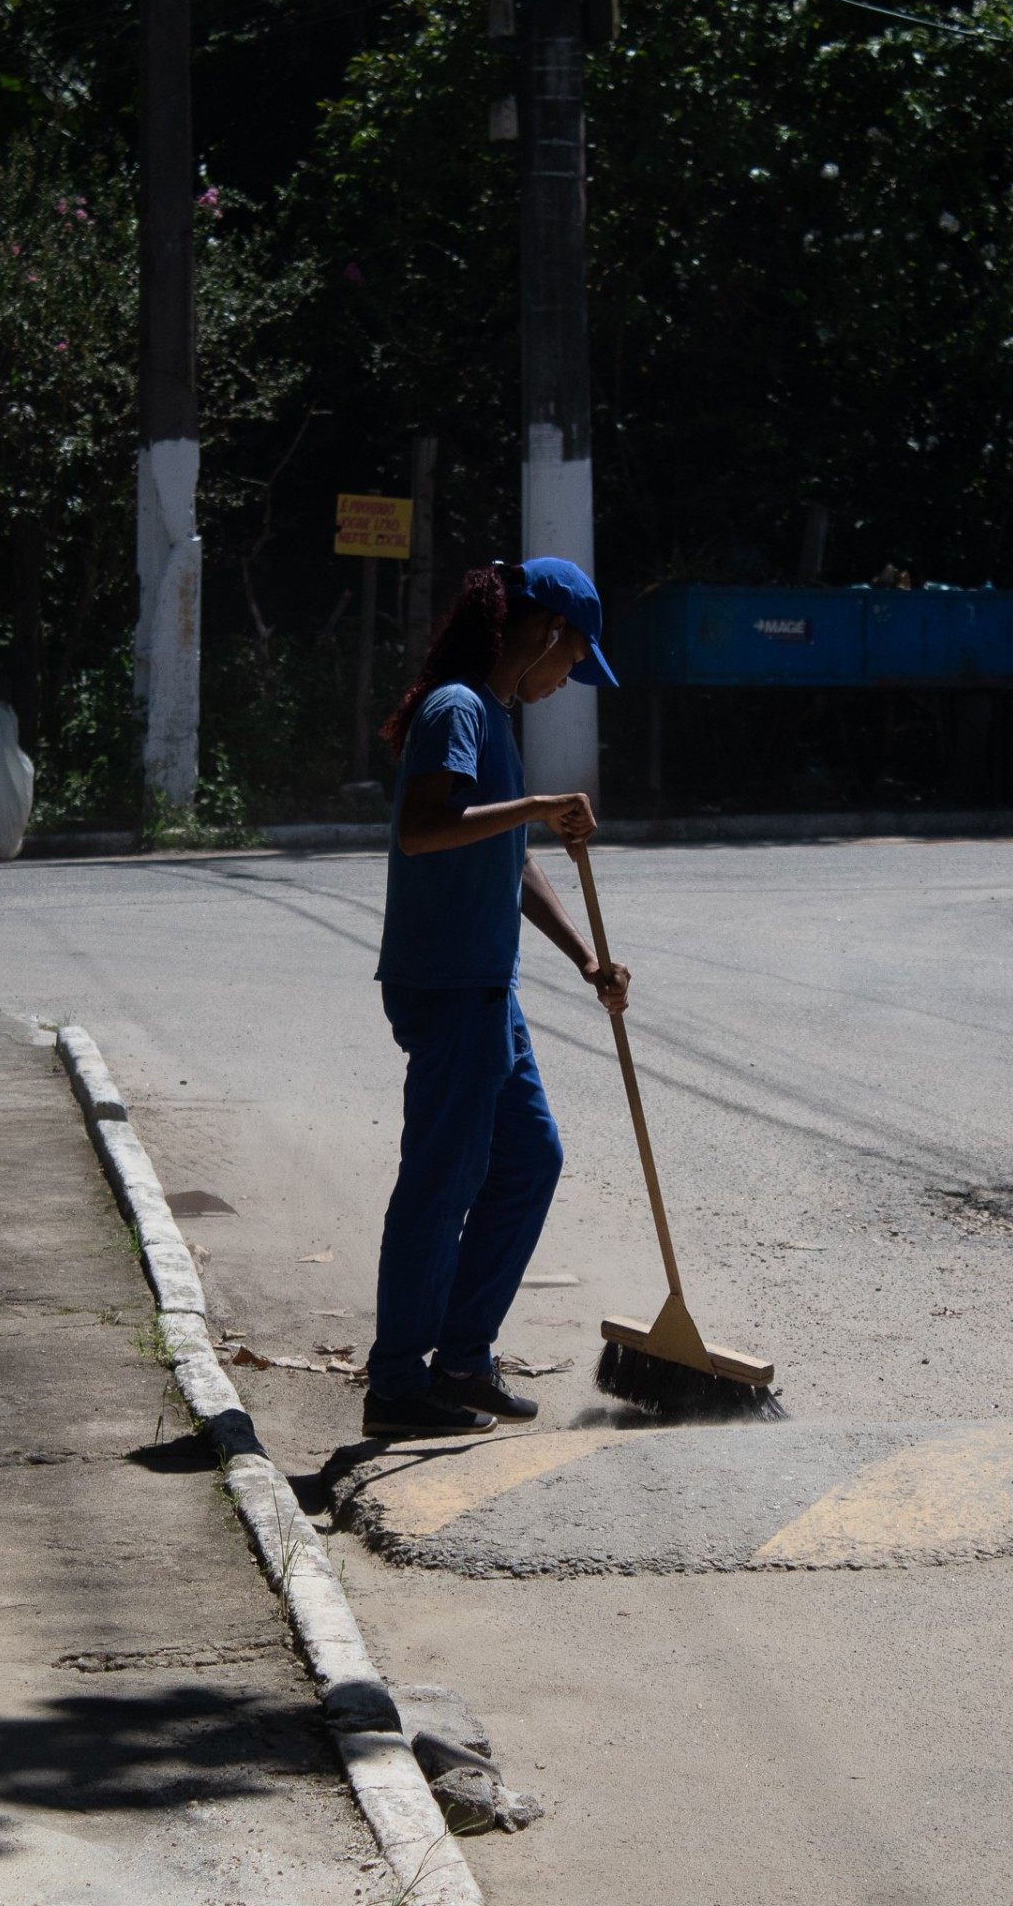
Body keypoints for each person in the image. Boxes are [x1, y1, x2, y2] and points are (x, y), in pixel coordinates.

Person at [364, 557, 631, 1439]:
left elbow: (506, 858)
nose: (566, 685)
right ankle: (399, 1384)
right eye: (573, 663)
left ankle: (463, 1360)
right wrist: (537, 804)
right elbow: (424, 830)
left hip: (487, 986)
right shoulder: (458, 707)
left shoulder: (490, 718)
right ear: (547, 632)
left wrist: (588, 958)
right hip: (448, 984)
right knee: (441, 1184)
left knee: (528, 1162)